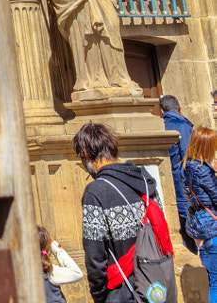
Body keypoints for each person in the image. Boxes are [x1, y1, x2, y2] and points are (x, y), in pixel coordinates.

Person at [73, 119, 174, 303]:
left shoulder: (96, 192)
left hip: (123, 290)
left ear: (86, 154)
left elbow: (95, 254)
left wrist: (99, 295)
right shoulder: (144, 179)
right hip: (156, 283)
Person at [184, 125, 217, 299]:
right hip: (212, 228)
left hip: (200, 227)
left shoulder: (186, 167)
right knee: (216, 283)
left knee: (210, 279)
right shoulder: (203, 170)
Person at [160, 92, 196, 252]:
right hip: (185, 189)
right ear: (180, 110)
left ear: (162, 111)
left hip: (168, 187)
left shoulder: (161, 126)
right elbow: (191, 160)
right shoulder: (183, 126)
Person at [39, 225, 82, 300]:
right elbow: (77, 273)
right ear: (48, 249)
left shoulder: (18, 274)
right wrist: (55, 247)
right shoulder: (50, 272)